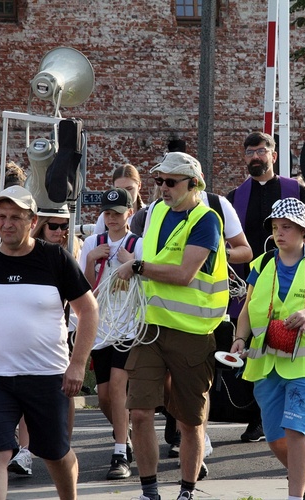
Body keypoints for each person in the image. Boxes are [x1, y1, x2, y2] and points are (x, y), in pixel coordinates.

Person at [0, 186, 98, 500]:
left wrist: (77, 364)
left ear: (33, 221)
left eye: (16, 217)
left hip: (46, 377)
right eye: (1, 217)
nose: (7, 223)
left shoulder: (54, 258)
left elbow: (88, 310)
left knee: (55, 453)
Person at [116, 151, 229, 500]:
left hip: (192, 333)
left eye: (170, 181)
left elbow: (183, 274)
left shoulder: (206, 219)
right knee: (138, 412)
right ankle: (149, 491)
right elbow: (150, 258)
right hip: (150, 328)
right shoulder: (154, 213)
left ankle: (187, 490)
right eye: (158, 181)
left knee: (190, 421)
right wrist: (133, 262)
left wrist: (136, 268)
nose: (162, 188)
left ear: (193, 184)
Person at [231, 197, 305, 500]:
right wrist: (240, 340)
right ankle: (301, 481)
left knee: (296, 431)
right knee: (275, 439)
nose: (280, 233)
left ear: (304, 232)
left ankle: (294, 496)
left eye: (288, 228)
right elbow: (246, 311)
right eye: (276, 227)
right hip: (266, 361)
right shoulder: (263, 263)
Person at [226, 131, 305, 442]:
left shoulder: (294, 189)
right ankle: (257, 417)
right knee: (254, 346)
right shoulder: (236, 196)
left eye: (261, 151)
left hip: (292, 277)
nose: (255, 157)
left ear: (273, 155)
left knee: (290, 345)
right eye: (250, 152)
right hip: (253, 280)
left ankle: (297, 416)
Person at [6, 203, 80, 477]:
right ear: (40, 224)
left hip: (63, 332)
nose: (60, 231)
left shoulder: (72, 251)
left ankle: (62, 444)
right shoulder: (28, 252)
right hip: (29, 341)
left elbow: (87, 302)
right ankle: (25, 451)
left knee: (67, 391)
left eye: (65, 226)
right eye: (54, 225)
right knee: (25, 393)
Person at [81, 187, 143, 480]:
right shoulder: (94, 242)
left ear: (129, 213)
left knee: (117, 386)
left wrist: (134, 263)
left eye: (118, 214)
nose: (112, 219)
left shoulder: (138, 244)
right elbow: (85, 289)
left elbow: (146, 285)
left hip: (128, 325)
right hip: (101, 326)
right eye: (108, 213)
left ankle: (119, 452)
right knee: (104, 395)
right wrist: (92, 258)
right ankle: (124, 432)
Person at [94, 164, 147, 235]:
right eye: (119, 189)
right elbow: (95, 241)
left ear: (139, 186)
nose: (125, 194)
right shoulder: (105, 217)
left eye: (129, 189)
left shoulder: (147, 214)